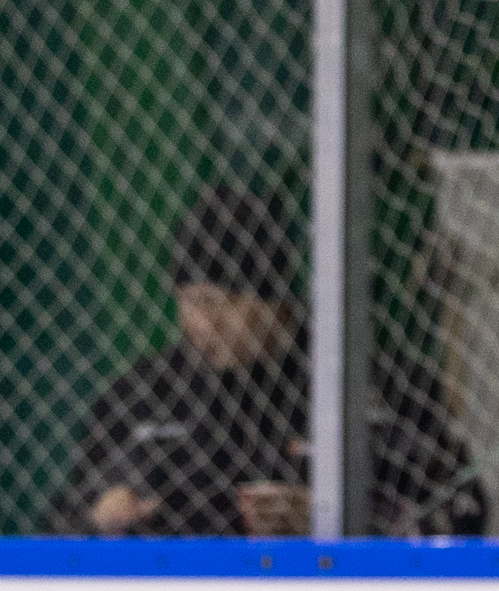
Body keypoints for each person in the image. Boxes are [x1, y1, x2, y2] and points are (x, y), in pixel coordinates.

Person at [52, 185, 485, 537]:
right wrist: (98, 521)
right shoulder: (144, 396)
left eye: (220, 303)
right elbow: (54, 528)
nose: (202, 325)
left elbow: (465, 510)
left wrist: (337, 522)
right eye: (188, 303)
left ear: (277, 304)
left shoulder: (375, 388)